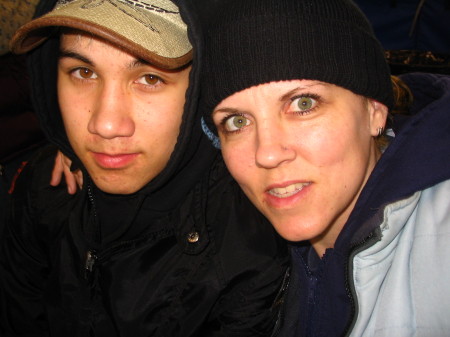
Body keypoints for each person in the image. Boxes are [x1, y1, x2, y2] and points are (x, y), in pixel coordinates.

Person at [0, 0, 288, 336]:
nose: (106, 125)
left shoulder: (250, 253)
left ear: (200, 88)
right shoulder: (43, 185)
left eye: (150, 77)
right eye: (84, 72)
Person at [199, 0, 450, 336]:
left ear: (375, 110)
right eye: (237, 121)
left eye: (303, 104)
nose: (268, 154)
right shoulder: (250, 263)